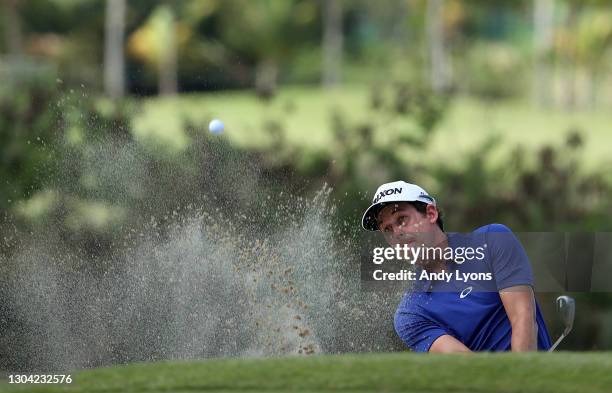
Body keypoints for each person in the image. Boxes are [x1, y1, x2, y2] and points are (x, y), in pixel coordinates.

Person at [361, 180, 552, 352]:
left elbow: (523, 319)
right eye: (387, 229)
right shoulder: (411, 313)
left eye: (402, 219)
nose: (397, 234)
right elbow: (467, 366)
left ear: (431, 213)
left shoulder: (493, 240)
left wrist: (523, 381)